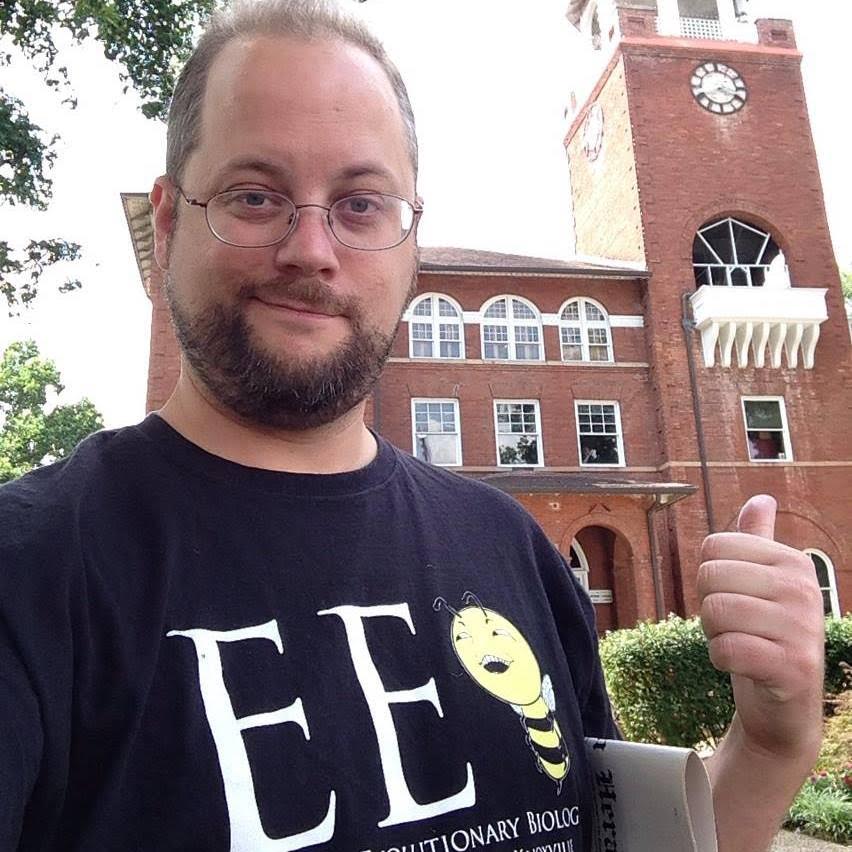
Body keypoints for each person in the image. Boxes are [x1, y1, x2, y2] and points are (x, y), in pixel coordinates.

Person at [0, 1, 824, 850]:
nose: (311, 247)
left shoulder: (512, 551)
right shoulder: (31, 571)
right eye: (255, 196)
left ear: (412, 242)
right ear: (170, 221)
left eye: (360, 205)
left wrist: (768, 746)